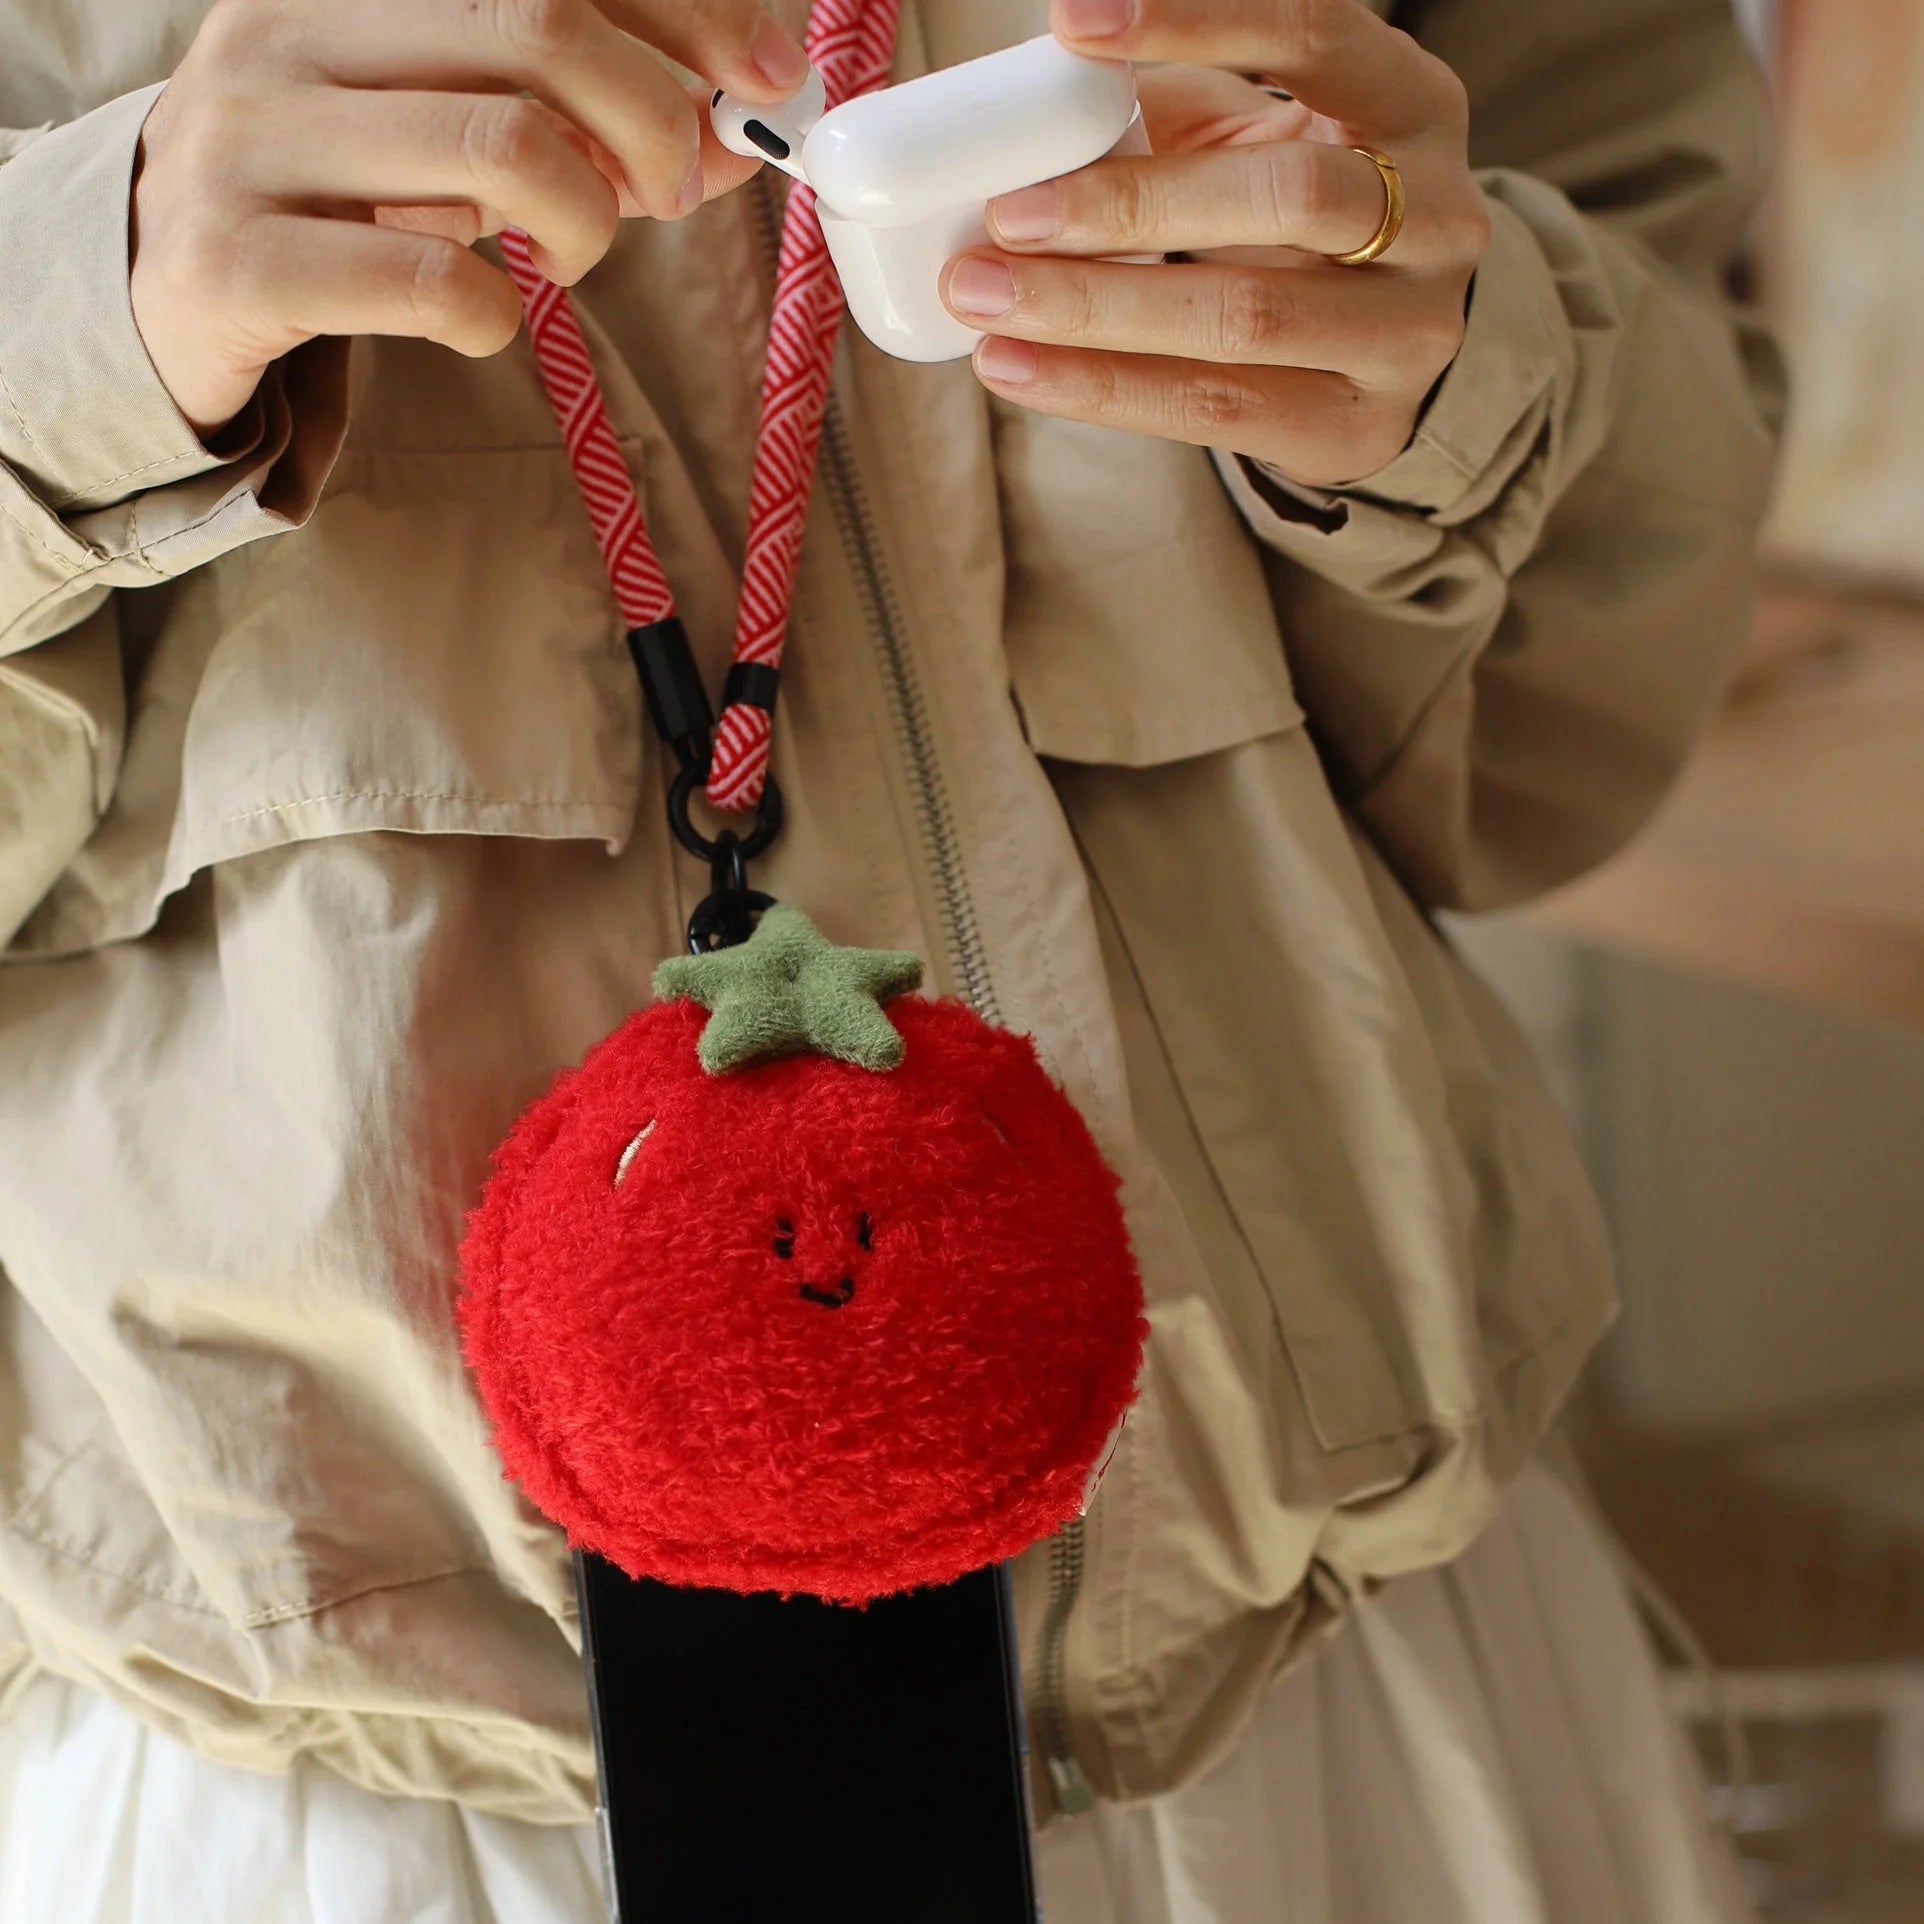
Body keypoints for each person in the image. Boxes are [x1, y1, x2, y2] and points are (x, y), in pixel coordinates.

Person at [0, 0, 1780, 1919]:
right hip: (343, 1799)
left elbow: (1579, 711)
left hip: (1340, 1709)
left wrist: (1464, 361)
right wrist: (84, 313)